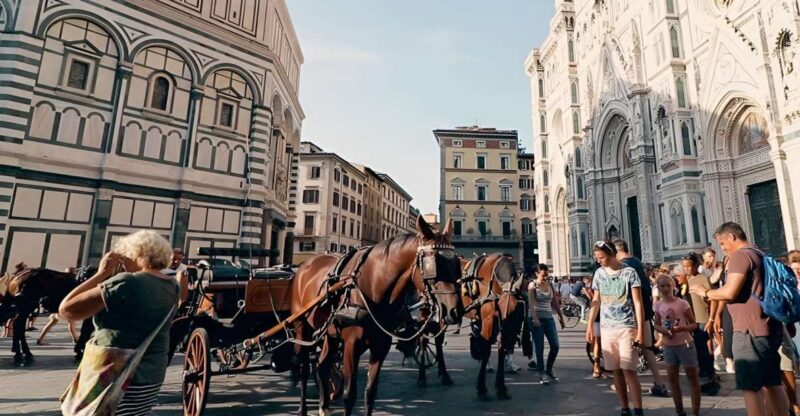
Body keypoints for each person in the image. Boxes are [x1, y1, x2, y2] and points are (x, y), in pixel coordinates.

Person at [59, 230, 179, 415]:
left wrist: (102, 273)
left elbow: (67, 310)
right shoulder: (172, 285)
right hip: (151, 373)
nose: (123, 261)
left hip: (115, 372)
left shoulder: (127, 282)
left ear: (137, 254)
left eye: (126, 255)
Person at [689, 222, 790, 416]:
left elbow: (730, 291)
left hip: (749, 330)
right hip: (767, 326)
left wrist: (706, 292)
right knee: (772, 382)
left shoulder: (740, 256)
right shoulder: (759, 253)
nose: (722, 248)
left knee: (751, 387)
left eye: (722, 243)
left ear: (732, 237)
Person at [586, 241, 646, 416]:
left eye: (602, 257)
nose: (599, 261)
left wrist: (641, 331)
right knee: (615, 370)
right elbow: (595, 301)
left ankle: (638, 409)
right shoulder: (599, 273)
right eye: (597, 258)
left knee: (629, 369)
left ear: (612, 254)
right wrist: (590, 325)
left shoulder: (629, 272)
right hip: (607, 328)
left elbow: (638, 303)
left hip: (627, 326)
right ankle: (624, 407)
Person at [613, 239, 669, 398]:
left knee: (628, 349)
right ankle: (658, 383)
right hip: (644, 312)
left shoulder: (624, 266)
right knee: (648, 348)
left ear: (618, 252)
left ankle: (629, 384)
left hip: (631, 314)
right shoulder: (637, 261)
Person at [654, 275, 702, 416]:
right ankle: (679, 410)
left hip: (685, 344)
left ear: (673, 286)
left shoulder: (682, 304)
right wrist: (663, 331)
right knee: (672, 379)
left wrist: (683, 328)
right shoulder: (658, 305)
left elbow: (693, 324)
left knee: (692, 377)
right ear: (658, 288)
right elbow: (656, 324)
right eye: (662, 286)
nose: (665, 289)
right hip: (669, 345)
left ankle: (696, 411)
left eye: (668, 285)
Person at [682, 253, 720, 394]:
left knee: (704, 349)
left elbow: (712, 299)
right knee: (697, 349)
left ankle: (710, 377)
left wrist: (712, 319)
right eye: (684, 266)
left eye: (688, 266)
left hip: (702, 319)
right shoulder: (685, 280)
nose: (686, 269)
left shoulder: (702, 278)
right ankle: (704, 374)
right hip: (691, 321)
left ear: (696, 266)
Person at [529, 264, 565, 384]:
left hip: (549, 319)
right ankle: (541, 373)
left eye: (547, 275)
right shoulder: (532, 285)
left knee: (555, 346)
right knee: (540, 348)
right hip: (537, 319)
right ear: (536, 274)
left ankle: (549, 369)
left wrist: (560, 315)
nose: (545, 278)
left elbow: (554, 301)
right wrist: (535, 319)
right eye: (543, 275)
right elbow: (531, 304)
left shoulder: (549, 284)